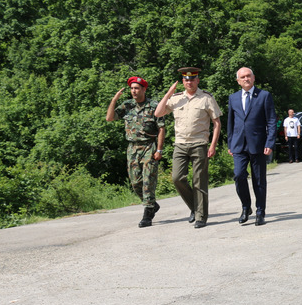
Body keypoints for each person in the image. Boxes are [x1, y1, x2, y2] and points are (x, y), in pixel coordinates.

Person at [155, 67, 222, 228]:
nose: (189, 82)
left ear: (197, 80)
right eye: (186, 80)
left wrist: (213, 145)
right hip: (180, 144)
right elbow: (158, 113)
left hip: (199, 143)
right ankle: (194, 207)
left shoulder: (206, 98)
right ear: (183, 82)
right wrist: (168, 93)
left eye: (192, 79)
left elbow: (217, 123)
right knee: (177, 178)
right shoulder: (177, 98)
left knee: (199, 181)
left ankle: (201, 217)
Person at [106, 76, 166, 228]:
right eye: (132, 88)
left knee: (148, 180)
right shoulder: (127, 105)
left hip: (148, 146)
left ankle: (148, 213)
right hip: (132, 148)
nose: (133, 91)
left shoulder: (153, 106)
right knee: (135, 182)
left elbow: (161, 128)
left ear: (144, 89)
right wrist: (114, 100)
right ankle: (152, 204)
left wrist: (159, 149)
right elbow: (109, 118)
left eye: (137, 88)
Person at [226, 67, 277, 226]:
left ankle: (260, 211)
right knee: (239, 175)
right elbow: (231, 122)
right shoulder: (233, 98)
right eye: (243, 77)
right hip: (239, 145)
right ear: (238, 81)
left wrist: (269, 143)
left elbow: (271, 121)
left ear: (254, 78)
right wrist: (230, 144)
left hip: (259, 145)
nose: (246, 79)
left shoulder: (264, 96)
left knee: (259, 180)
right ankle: (246, 207)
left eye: (249, 76)